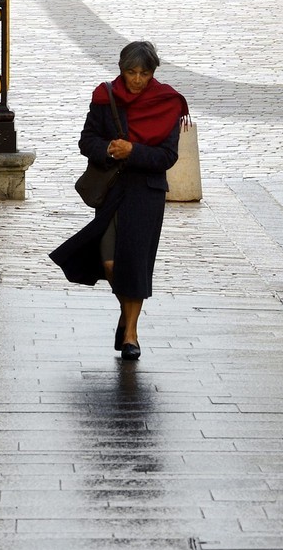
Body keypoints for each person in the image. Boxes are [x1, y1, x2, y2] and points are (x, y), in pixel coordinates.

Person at [49, 41, 188, 360]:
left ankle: (131, 334)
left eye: (144, 73)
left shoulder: (168, 103)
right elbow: (87, 140)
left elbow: (168, 156)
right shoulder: (105, 98)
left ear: (153, 73)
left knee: (135, 265)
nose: (137, 79)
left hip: (147, 193)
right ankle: (127, 314)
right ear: (120, 69)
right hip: (111, 191)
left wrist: (134, 151)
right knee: (111, 261)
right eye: (131, 72)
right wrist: (110, 149)